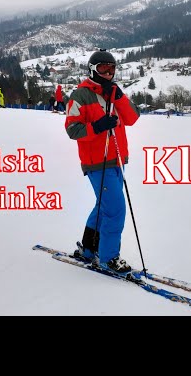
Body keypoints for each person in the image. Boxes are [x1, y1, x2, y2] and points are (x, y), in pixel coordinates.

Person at [65, 49, 140, 274]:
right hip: (97, 163)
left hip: (117, 160)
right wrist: (97, 127)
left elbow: (132, 118)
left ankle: (89, 249)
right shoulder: (80, 95)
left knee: (103, 206)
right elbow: (72, 129)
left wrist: (119, 97)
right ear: (92, 70)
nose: (108, 73)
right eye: (103, 68)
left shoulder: (114, 93)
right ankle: (109, 258)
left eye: (112, 68)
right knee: (115, 209)